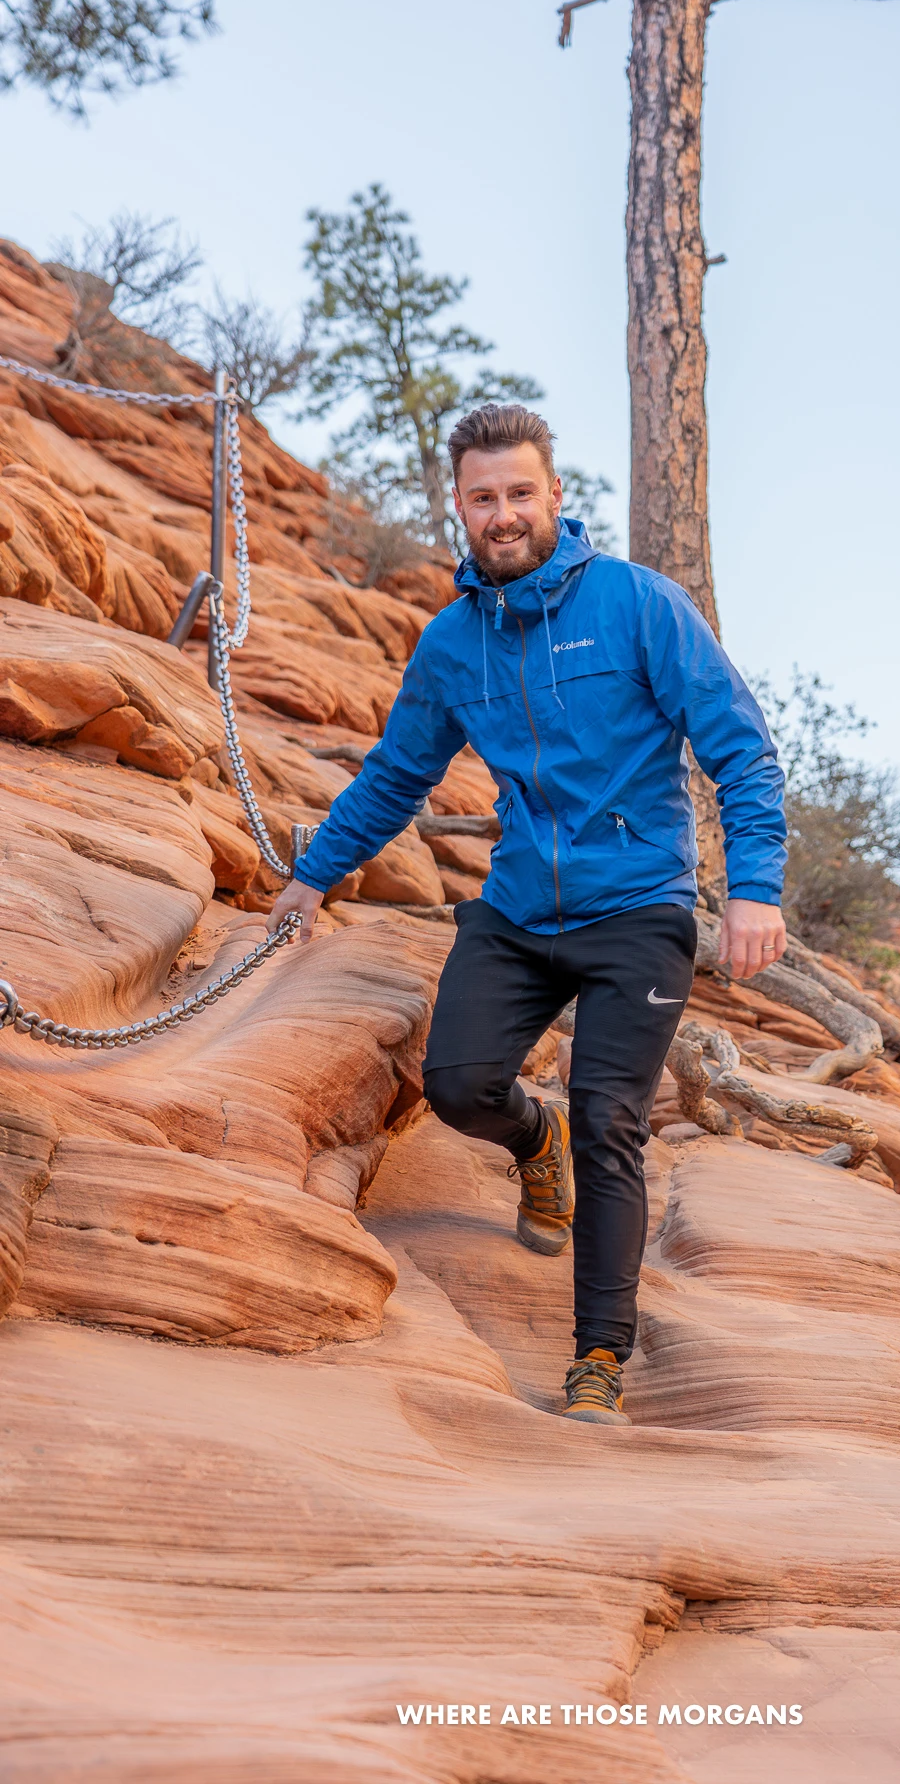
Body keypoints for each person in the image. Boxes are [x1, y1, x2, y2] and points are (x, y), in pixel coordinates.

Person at [270, 404, 788, 1426]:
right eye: (482, 498)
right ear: (457, 506)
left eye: (520, 494)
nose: (503, 515)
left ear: (556, 495)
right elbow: (394, 775)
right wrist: (310, 877)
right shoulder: (453, 644)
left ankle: (600, 1356)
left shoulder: (640, 606)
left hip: (637, 908)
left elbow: (741, 749)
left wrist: (757, 890)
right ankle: (529, 1141)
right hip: (516, 909)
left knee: (613, 1122)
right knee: (458, 1085)